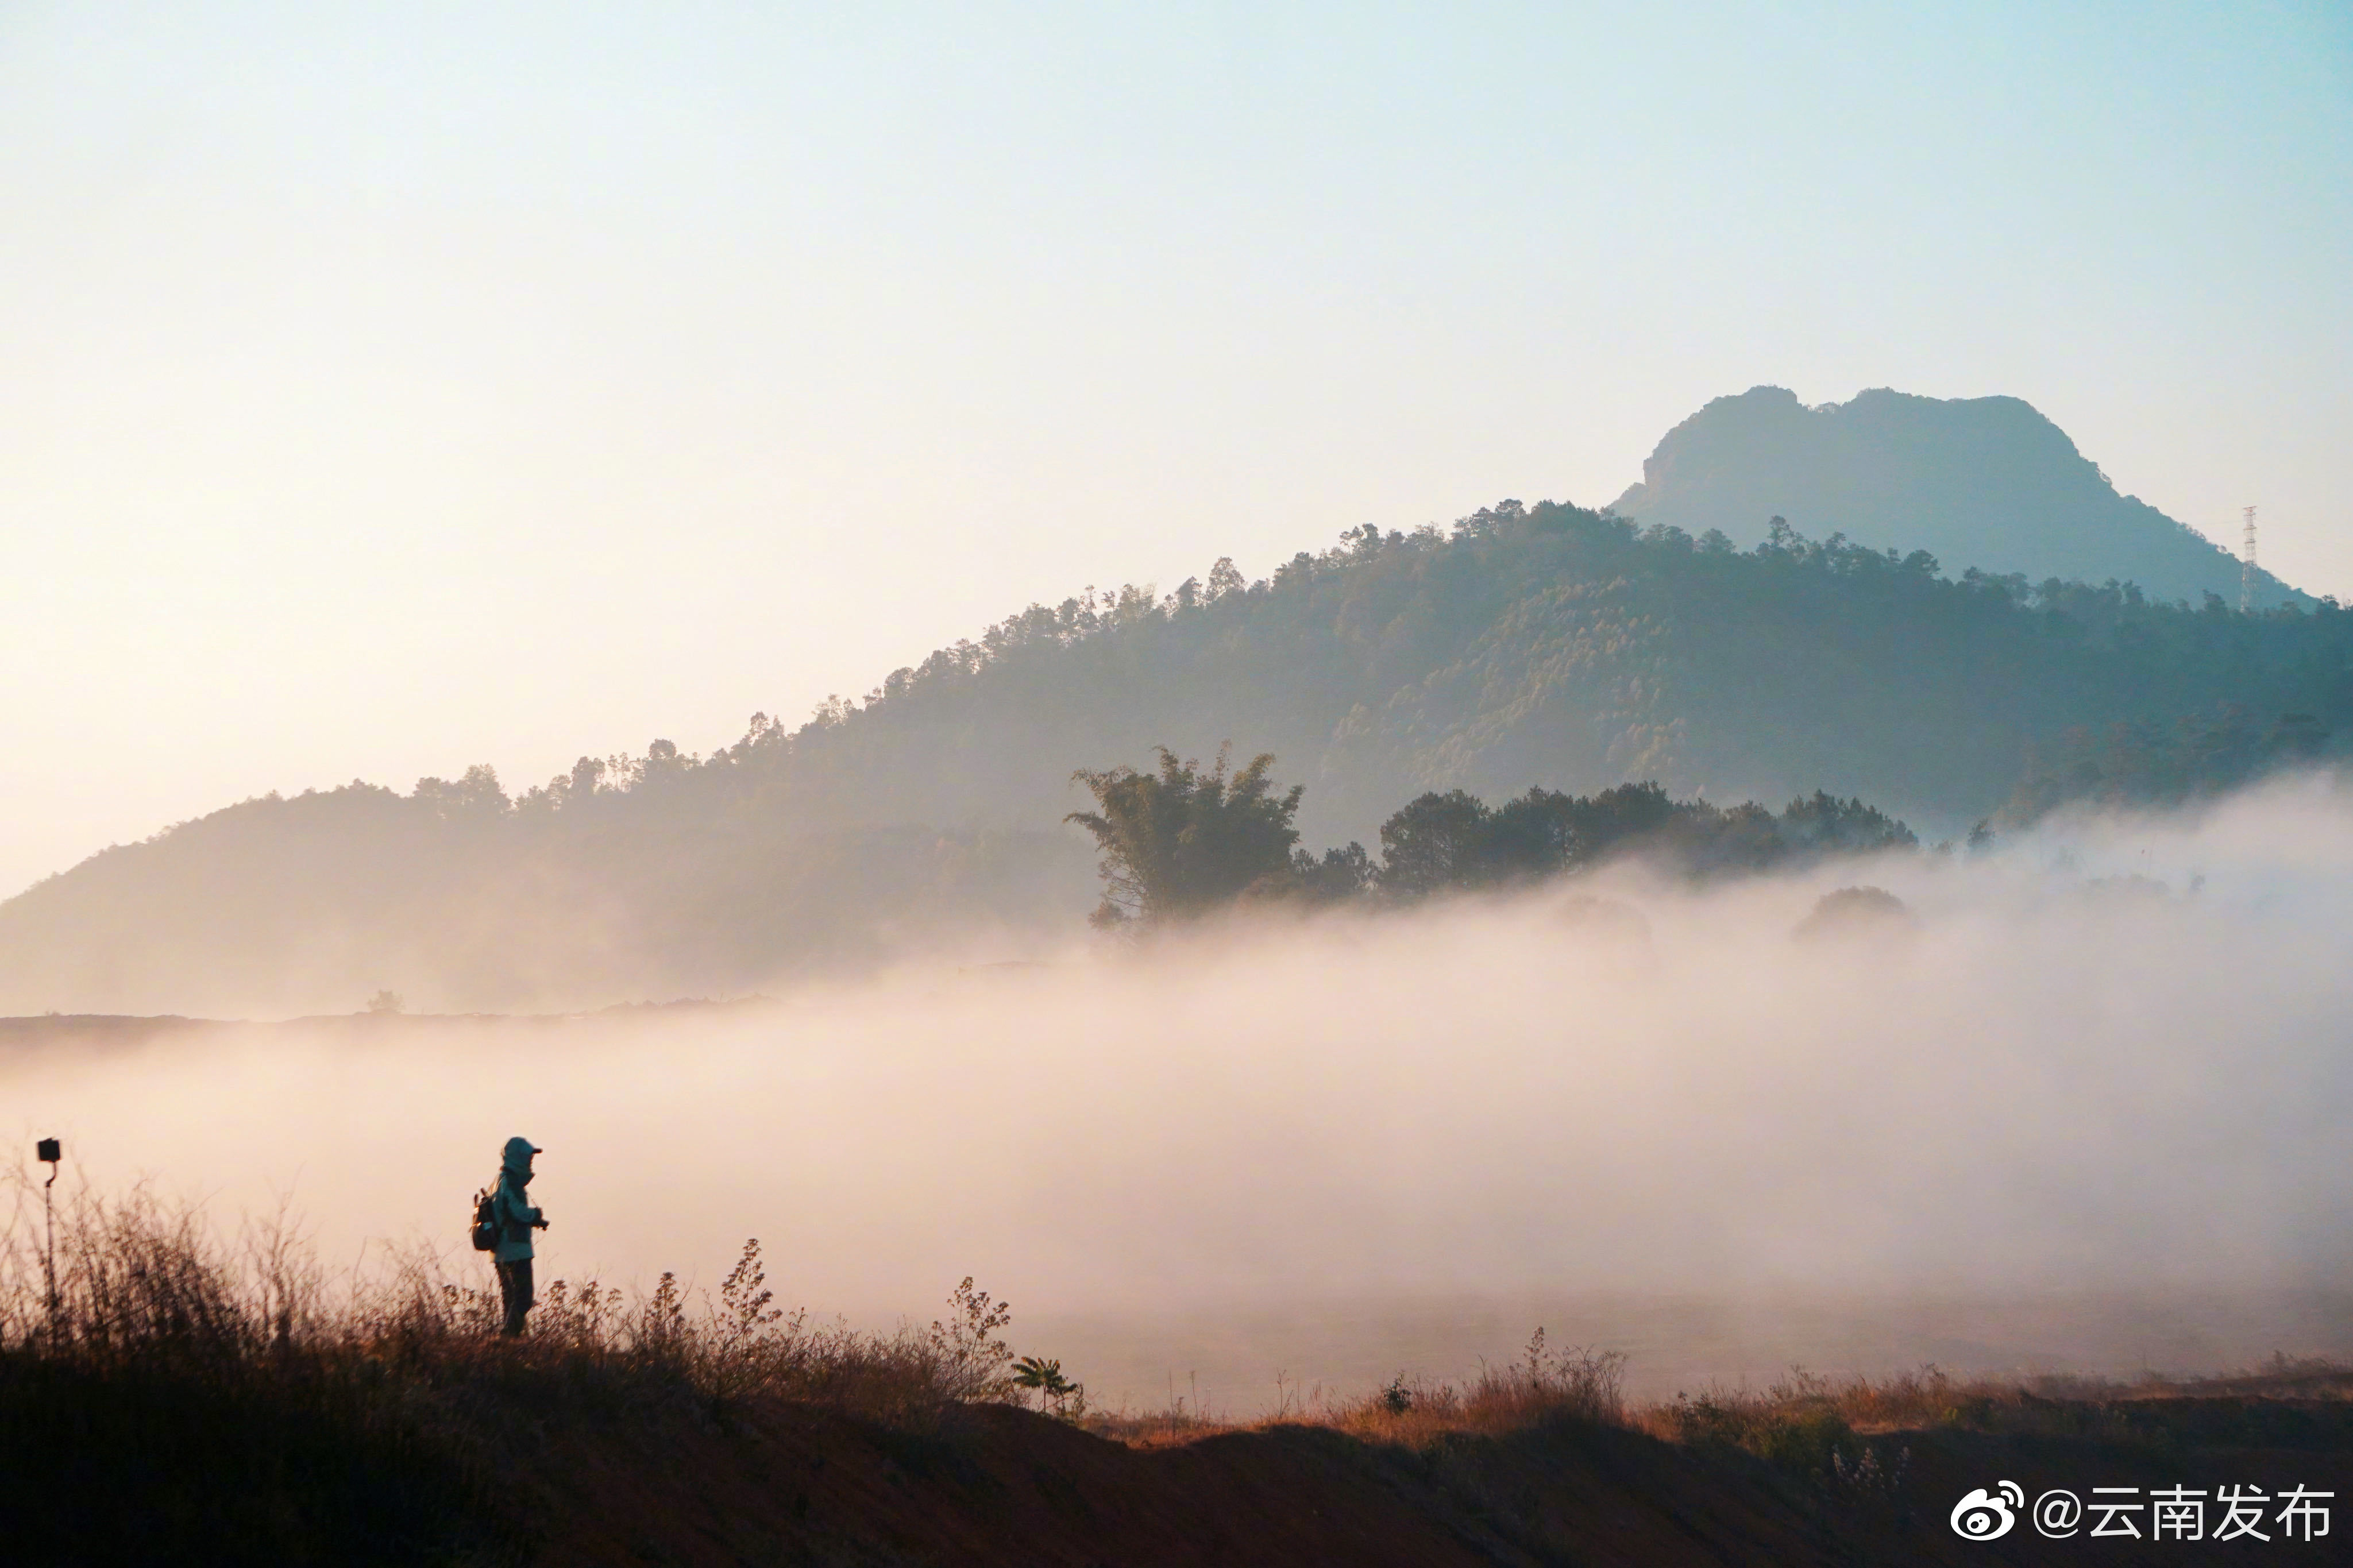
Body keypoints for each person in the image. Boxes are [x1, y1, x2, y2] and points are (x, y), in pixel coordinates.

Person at [490, 1136, 550, 1336]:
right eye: (528, 1157)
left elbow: (508, 1212)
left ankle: (509, 1342)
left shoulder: (501, 1181)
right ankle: (508, 1336)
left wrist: (535, 1220)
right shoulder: (511, 1183)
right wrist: (535, 1216)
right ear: (517, 1157)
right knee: (523, 1299)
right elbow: (517, 1211)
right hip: (515, 1249)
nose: (530, 1160)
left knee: (511, 1299)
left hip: (502, 1250)